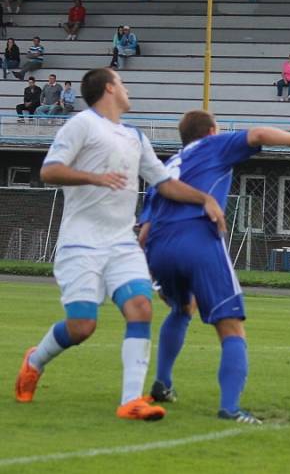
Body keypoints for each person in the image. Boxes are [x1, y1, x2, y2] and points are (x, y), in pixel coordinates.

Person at [14, 68, 227, 421]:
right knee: (82, 326)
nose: (127, 90)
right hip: (81, 242)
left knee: (141, 307)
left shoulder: (134, 136)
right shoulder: (81, 124)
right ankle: (35, 360)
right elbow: (49, 170)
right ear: (110, 88)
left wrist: (204, 198)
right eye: (123, 83)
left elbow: (162, 182)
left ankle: (131, 401)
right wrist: (94, 177)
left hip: (121, 243)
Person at [138, 109, 290, 423]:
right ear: (213, 131)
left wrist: (148, 268)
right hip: (197, 239)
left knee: (181, 308)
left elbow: (144, 231)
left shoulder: (166, 167)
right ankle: (230, 408)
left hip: (159, 247)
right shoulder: (213, 145)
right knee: (231, 326)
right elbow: (257, 134)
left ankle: (163, 383)